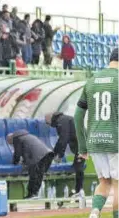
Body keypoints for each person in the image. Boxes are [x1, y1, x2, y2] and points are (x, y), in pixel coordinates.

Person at [74, 48, 118, 218]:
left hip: (95, 140)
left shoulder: (92, 81)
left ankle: (94, 213)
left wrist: (83, 147)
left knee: (104, 182)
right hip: (115, 140)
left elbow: (78, 116)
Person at [45, 112, 85, 197]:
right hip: (80, 144)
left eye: (47, 122)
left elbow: (64, 139)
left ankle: (79, 191)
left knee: (78, 167)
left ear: (50, 119)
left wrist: (59, 155)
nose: (48, 125)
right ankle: (77, 190)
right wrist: (54, 153)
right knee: (77, 166)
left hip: (82, 144)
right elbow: (61, 140)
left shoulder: (61, 121)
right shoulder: (62, 120)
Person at [7, 130, 54, 199]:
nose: (11, 144)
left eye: (10, 143)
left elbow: (17, 153)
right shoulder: (27, 136)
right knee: (39, 175)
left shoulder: (16, 138)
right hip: (48, 154)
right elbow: (27, 150)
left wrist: (14, 163)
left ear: (11, 139)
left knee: (34, 175)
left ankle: (31, 194)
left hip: (37, 157)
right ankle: (34, 194)